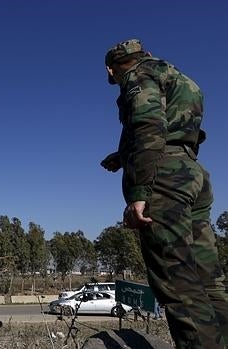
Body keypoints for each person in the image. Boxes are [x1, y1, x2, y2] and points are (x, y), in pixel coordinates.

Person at [101, 39, 228, 348]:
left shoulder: (137, 76)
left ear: (112, 68)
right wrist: (122, 156)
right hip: (191, 173)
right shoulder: (180, 78)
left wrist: (141, 191)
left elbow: (148, 125)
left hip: (165, 181)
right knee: (208, 279)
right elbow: (180, 128)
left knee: (177, 284)